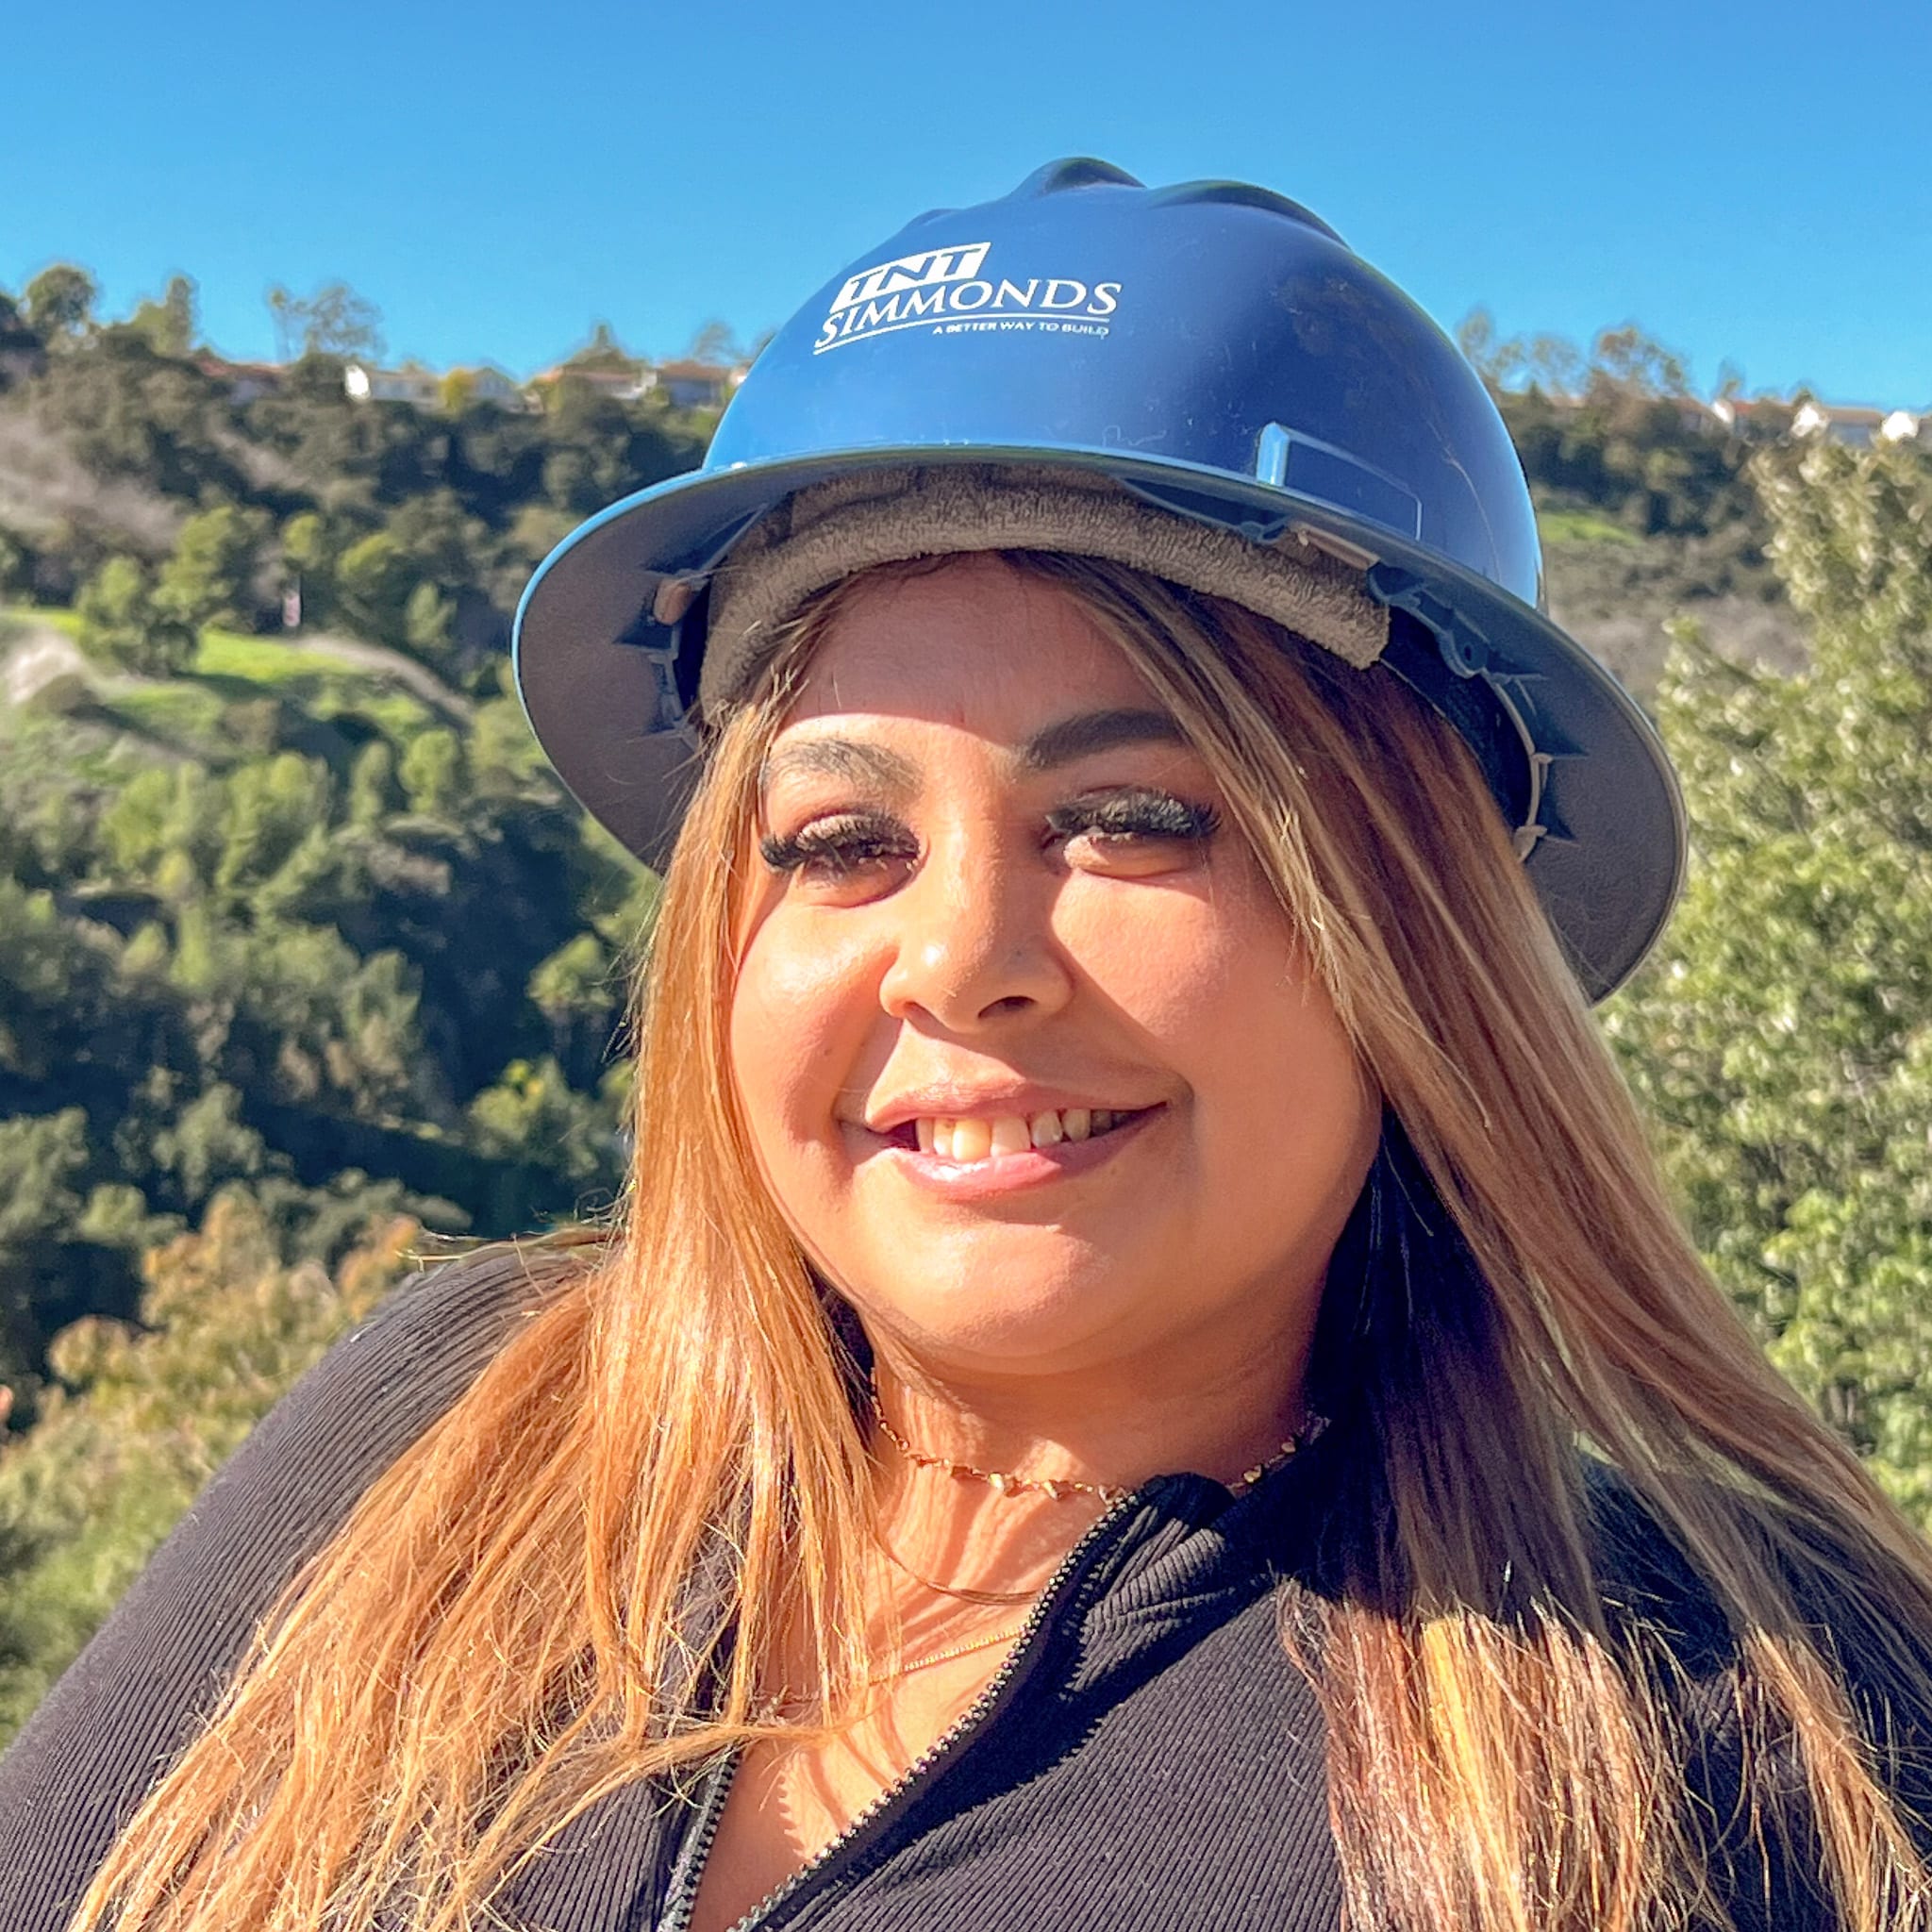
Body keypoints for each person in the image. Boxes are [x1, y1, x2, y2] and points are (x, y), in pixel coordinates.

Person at [3, 159, 1930, 1932]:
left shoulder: (1756, 1738)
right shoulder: (452, 1427)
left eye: (1137, 819)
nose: (958, 962)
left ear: (1412, 935)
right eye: (842, 843)